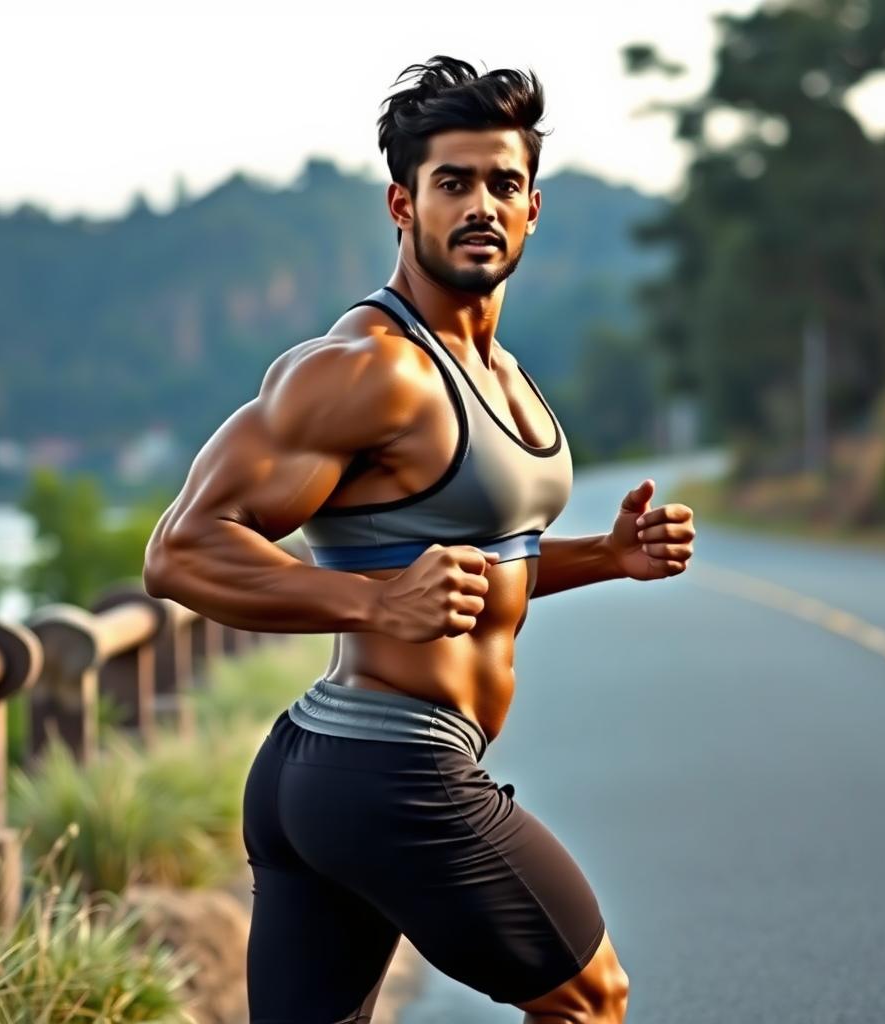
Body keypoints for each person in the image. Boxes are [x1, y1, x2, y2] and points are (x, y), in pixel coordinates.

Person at [143, 54, 695, 1024]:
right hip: (391, 769)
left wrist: (606, 557)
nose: (481, 204)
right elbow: (181, 550)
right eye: (453, 183)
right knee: (590, 998)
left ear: (532, 208)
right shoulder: (368, 370)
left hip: (333, 770)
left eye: (503, 184)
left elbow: (469, 565)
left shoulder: (500, 372)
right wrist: (371, 599)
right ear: (402, 204)